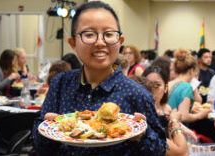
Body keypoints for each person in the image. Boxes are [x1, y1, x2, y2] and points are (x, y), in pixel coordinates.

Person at [33, 1, 166, 155]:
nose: (100, 42)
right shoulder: (60, 84)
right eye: (89, 34)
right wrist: (48, 128)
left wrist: (142, 135)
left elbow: (159, 149)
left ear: (120, 42)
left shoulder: (138, 94)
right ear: (73, 43)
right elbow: (40, 147)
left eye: (109, 34)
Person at [168, 49, 208, 123]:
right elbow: (184, 117)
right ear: (192, 70)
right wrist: (200, 115)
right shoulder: (186, 87)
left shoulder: (169, 83)